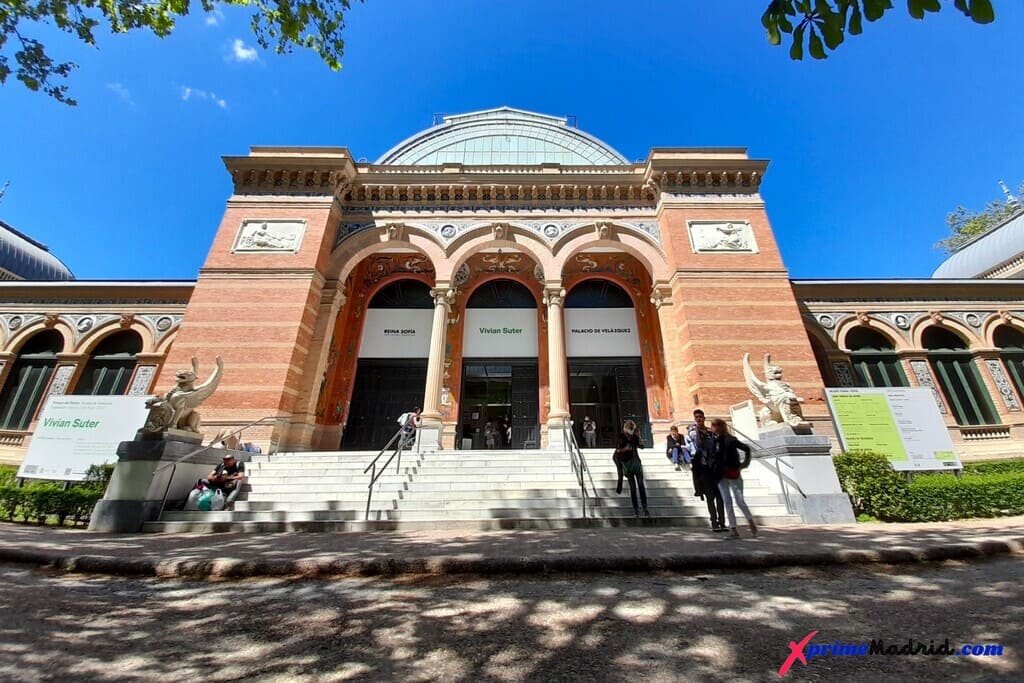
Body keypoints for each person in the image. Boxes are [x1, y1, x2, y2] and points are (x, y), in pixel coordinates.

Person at [709, 418, 757, 539]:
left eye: (714, 425)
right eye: (712, 425)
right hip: (720, 475)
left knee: (739, 500)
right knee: (727, 501)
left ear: (720, 427)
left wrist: (744, 464)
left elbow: (746, 448)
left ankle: (750, 521)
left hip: (732, 472)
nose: (712, 427)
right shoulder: (714, 441)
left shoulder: (730, 440)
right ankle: (733, 529)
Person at [687, 409, 725, 532]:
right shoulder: (693, 432)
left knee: (720, 496)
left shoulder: (711, 432)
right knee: (710, 496)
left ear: (704, 418)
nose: (698, 419)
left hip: (715, 468)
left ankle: (722, 522)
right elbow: (697, 444)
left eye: (700, 417)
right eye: (696, 417)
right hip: (703, 468)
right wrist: (697, 430)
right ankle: (714, 521)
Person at [614, 419, 649, 518]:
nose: (630, 430)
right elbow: (617, 451)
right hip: (627, 464)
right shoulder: (621, 437)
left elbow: (642, 446)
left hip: (636, 463)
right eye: (629, 428)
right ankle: (636, 510)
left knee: (641, 486)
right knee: (633, 488)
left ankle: (645, 508)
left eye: (631, 428)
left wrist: (638, 436)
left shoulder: (634, 437)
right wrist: (625, 449)